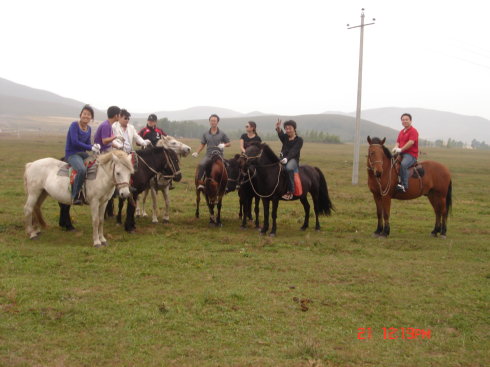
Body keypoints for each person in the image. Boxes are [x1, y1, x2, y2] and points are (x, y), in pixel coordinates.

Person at [64, 104, 101, 205]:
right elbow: (75, 142)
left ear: (91, 117)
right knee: (81, 169)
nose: (86, 116)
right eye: (84, 113)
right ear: (80, 115)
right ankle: (75, 195)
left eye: (89, 114)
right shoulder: (74, 125)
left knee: (98, 164)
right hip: (72, 154)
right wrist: (90, 147)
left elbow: (88, 144)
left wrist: (95, 146)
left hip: (82, 154)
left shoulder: (88, 129)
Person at [192, 114, 231, 190]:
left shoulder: (222, 133)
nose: (213, 122)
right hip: (209, 155)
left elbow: (229, 143)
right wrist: (197, 152)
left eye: (214, 121)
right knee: (202, 164)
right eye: (211, 121)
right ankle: (200, 183)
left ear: (217, 122)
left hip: (219, 155)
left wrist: (224, 145)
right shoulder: (205, 134)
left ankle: (226, 185)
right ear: (209, 122)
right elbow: (202, 144)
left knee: (227, 166)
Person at [275, 119, 303, 200]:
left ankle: (290, 192)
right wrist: (278, 128)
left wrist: (287, 158)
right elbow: (280, 134)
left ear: (294, 129)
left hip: (293, 161)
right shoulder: (285, 138)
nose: (287, 130)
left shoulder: (299, 140)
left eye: (289, 128)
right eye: (286, 128)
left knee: (288, 168)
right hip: (283, 158)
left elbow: (294, 151)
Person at [392, 113, 419, 193]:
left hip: (411, 155)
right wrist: (395, 148)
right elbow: (398, 142)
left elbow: (411, 142)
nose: (405, 121)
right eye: (403, 120)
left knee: (403, 165)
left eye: (406, 119)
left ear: (410, 120)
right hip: (401, 153)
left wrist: (401, 149)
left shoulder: (413, 131)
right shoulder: (401, 132)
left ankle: (404, 185)